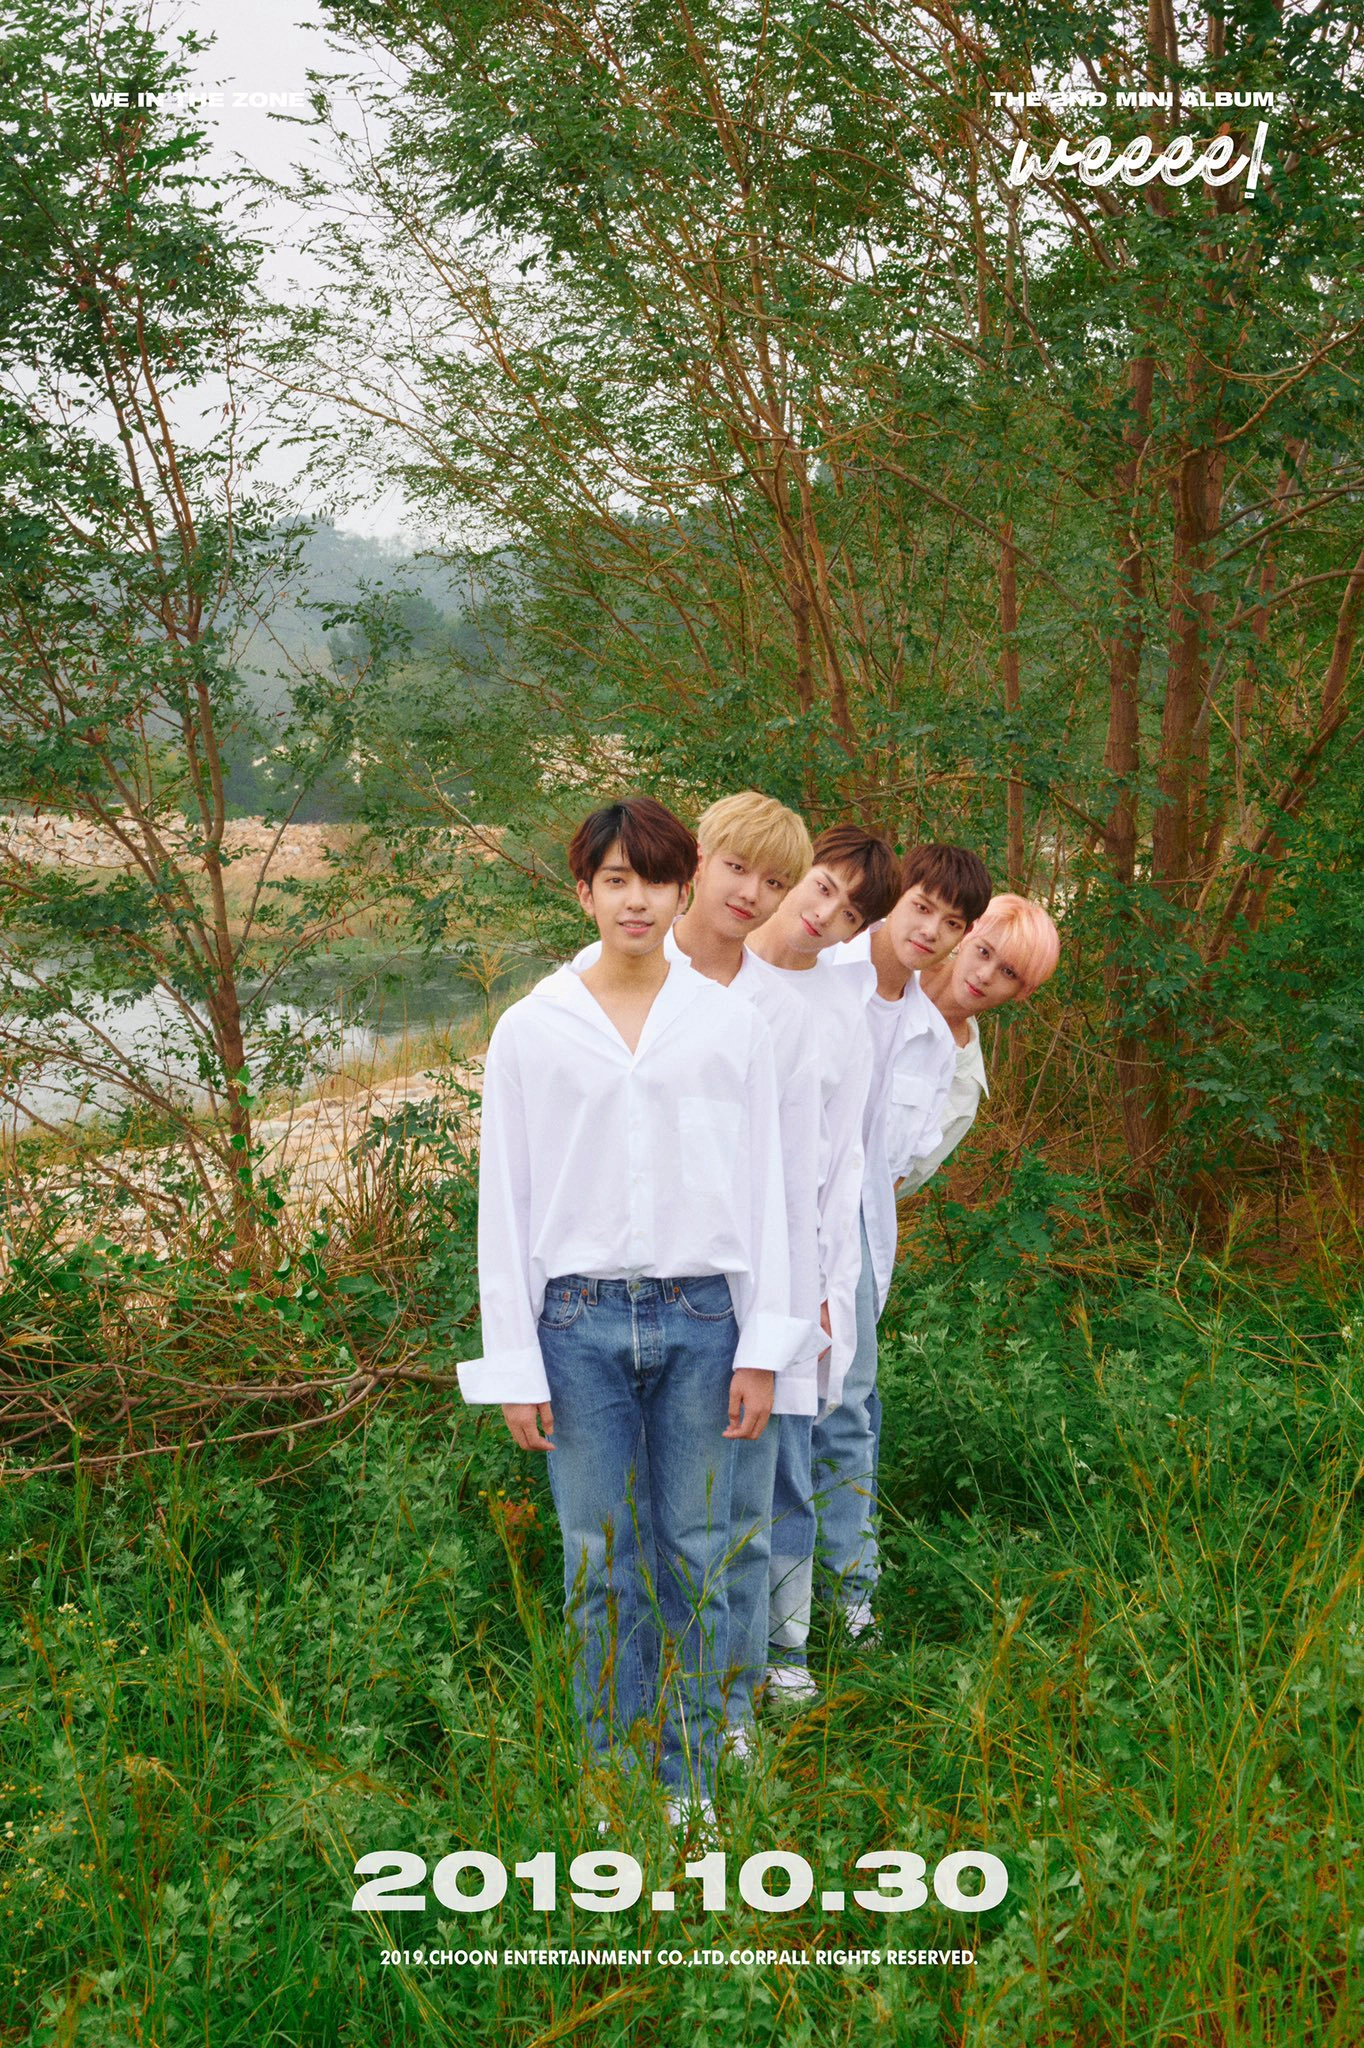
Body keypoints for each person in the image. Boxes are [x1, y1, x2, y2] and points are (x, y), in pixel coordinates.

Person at [458, 796, 810, 1811]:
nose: (636, 900)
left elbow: (769, 1190)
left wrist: (764, 1348)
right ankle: (613, 1774)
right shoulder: (533, 1028)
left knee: (699, 1550)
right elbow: (506, 1203)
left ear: (681, 890)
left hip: (704, 1320)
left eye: (655, 880)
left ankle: (689, 1776)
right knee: (599, 1559)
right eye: (616, 880)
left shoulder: (729, 1025)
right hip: (576, 1325)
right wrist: (513, 1362)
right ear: (584, 891)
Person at [574, 790, 822, 1745]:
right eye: (736, 868)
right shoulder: (603, 976)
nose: (750, 894)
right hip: (609, 1294)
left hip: (728, 1296)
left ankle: (726, 1713)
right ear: (696, 866)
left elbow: (788, 1180)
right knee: (621, 1526)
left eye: (774, 882)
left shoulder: (779, 1016)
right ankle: (633, 1716)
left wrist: (786, 1317)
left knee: (728, 1515)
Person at [814, 846, 994, 1644]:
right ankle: (765, 1608)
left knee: (847, 1408)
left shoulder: (935, 1036)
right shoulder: (824, 972)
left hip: (857, 1231)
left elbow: (897, 1169)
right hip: (781, 1210)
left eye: (952, 923)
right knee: (768, 1405)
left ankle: (849, 1598)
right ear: (896, 899)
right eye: (922, 906)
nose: (931, 931)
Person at [744, 824, 902, 1698]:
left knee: (789, 1462)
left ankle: (786, 1651)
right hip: (713, 1251)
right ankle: (705, 1650)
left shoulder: (842, 1009)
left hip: (801, 1255)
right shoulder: (718, 973)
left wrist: (834, 1293)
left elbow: (843, 1169)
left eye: (849, 911)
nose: (825, 913)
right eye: (823, 886)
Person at [897, 892, 1062, 1197]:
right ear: (966, 936)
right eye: (984, 952)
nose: (985, 975)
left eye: (1008, 972)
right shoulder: (892, 960)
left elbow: (891, 1187)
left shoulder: (960, 1086)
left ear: (1023, 991)